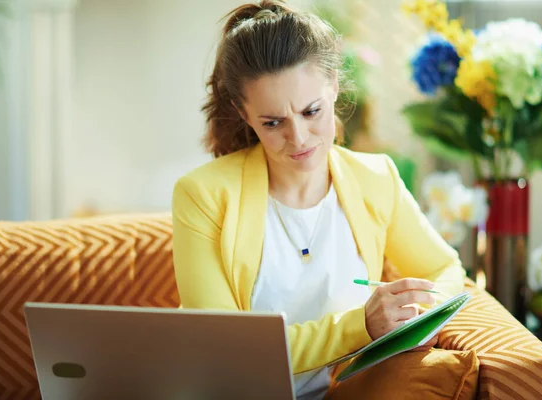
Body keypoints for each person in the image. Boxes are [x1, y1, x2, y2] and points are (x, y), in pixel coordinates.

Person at [171, 1, 466, 398]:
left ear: (333, 85)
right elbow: (226, 350)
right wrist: (359, 326)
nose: (299, 138)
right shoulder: (202, 195)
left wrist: (423, 318)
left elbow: (444, 267)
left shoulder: (376, 177)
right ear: (243, 112)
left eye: (312, 111)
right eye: (272, 122)